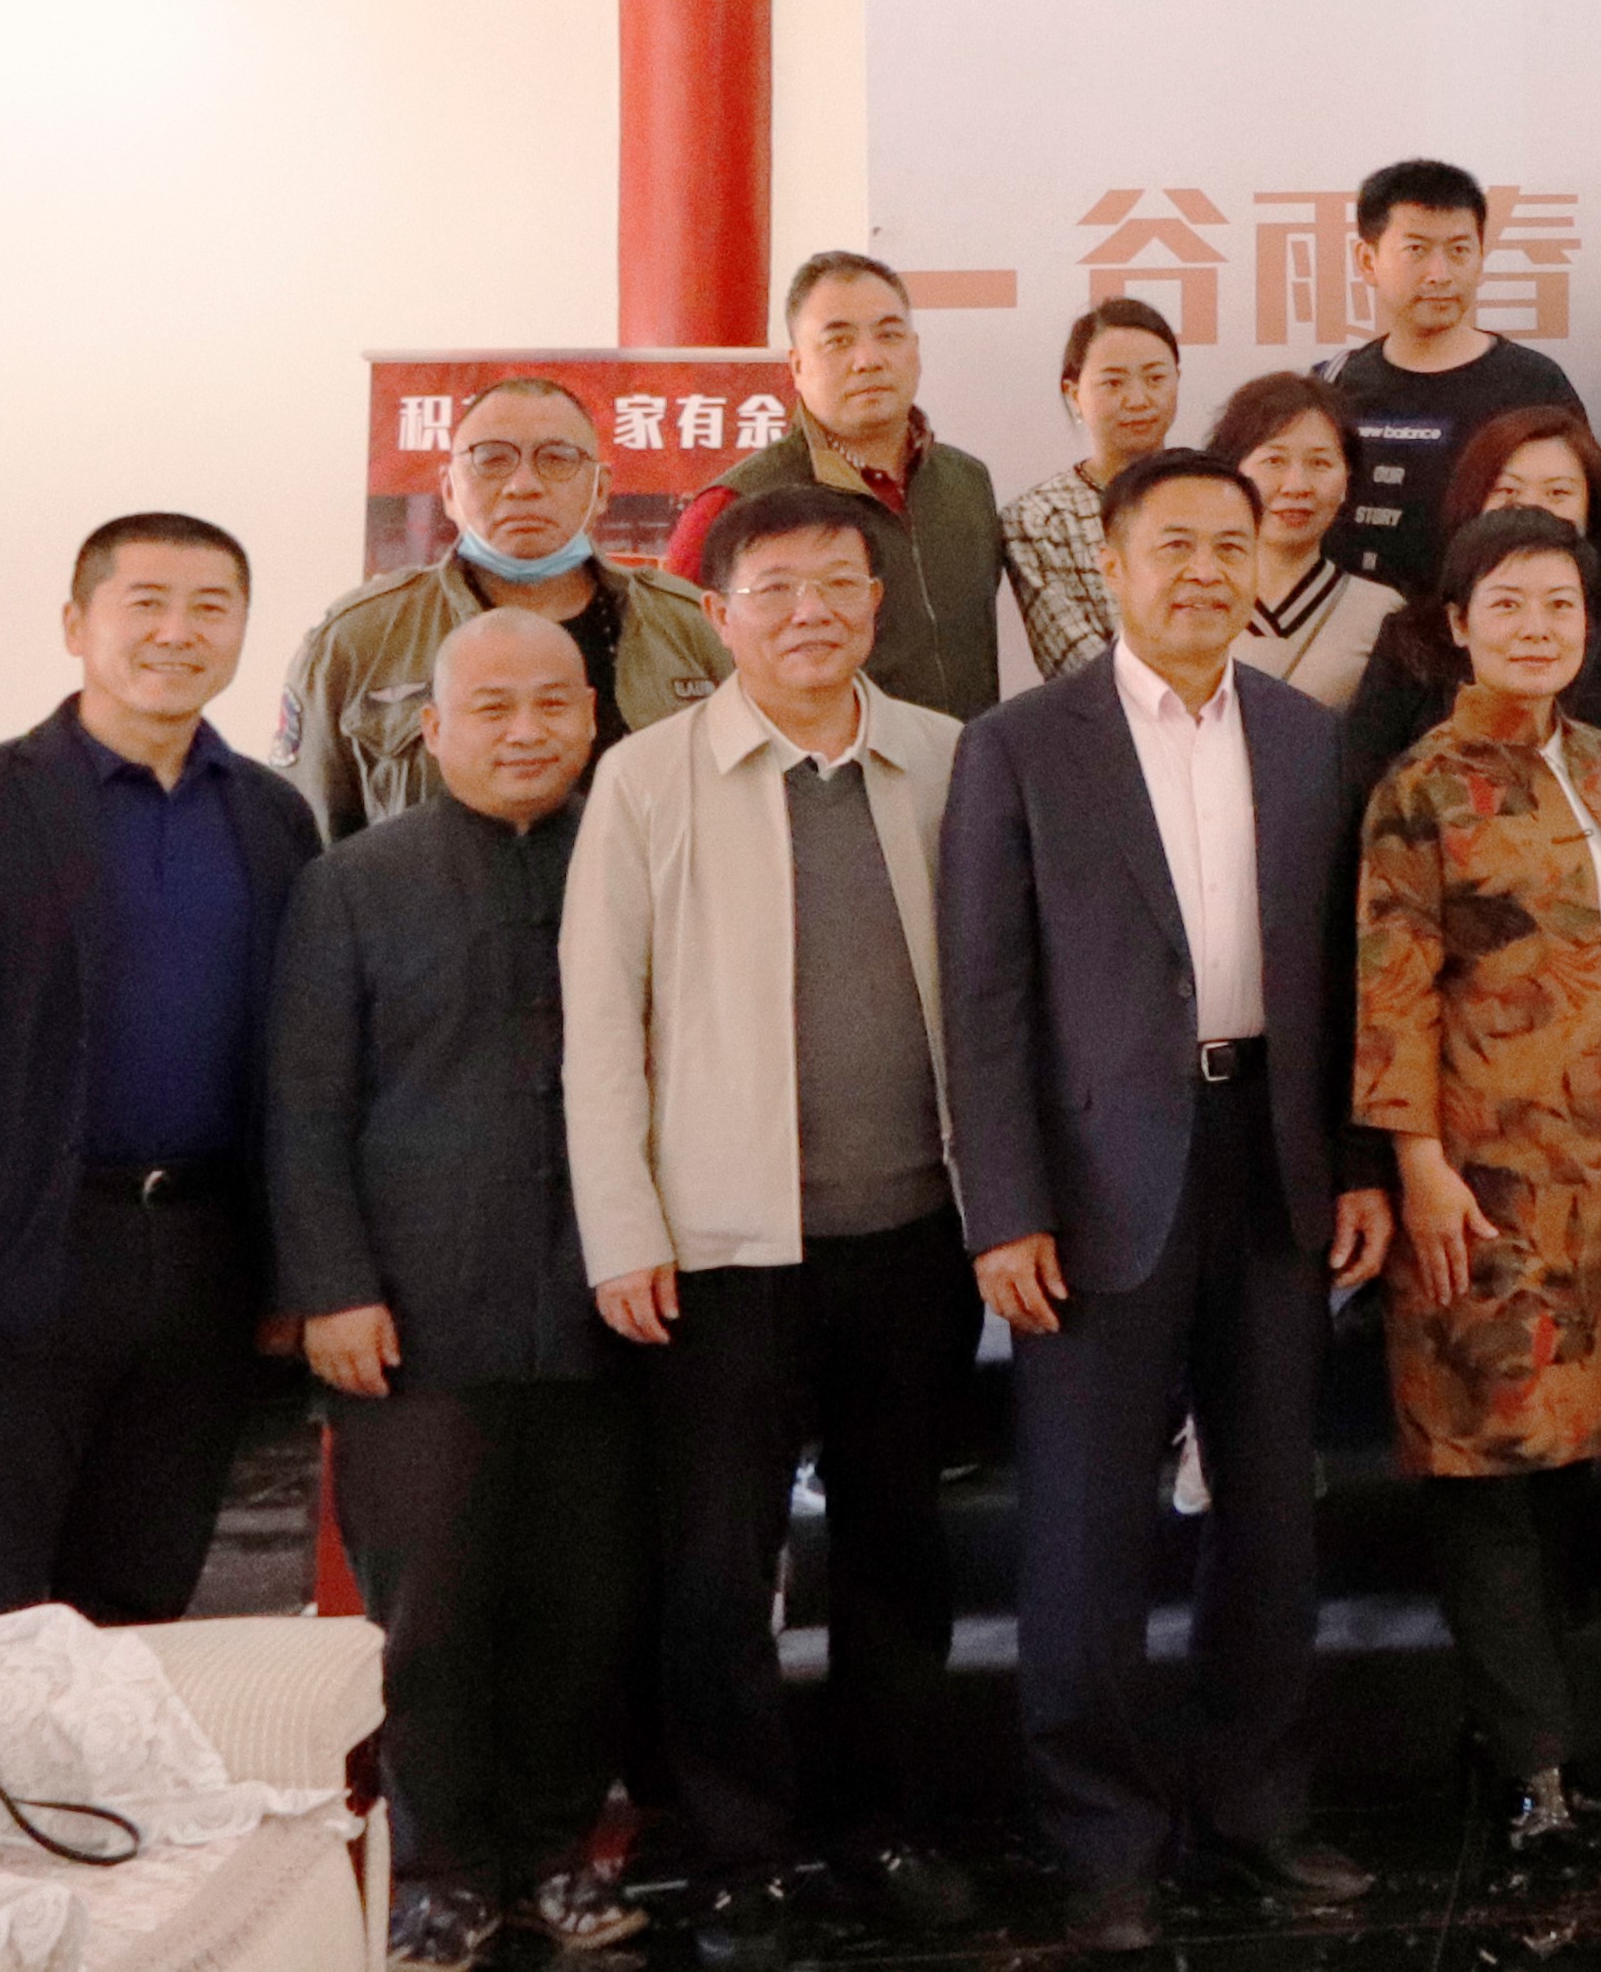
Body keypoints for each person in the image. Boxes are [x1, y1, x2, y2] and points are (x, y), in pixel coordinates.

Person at [942, 451, 1391, 1948]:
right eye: (1172, 545)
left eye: (1227, 546)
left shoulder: (1304, 735)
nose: (1203, 570)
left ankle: (1258, 1805)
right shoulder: (1020, 744)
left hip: (1272, 1152)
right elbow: (984, 997)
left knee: (1269, 1507)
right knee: (1084, 1522)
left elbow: (1343, 975)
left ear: (1258, 565)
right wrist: (1003, 1205)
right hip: (1093, 1175)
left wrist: (1358, 1163)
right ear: (1115, 565)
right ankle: (1104, 1838)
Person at [562, 486, 979, 1966]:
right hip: (721, 1250)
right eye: (777, 587)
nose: (812, 612)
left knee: (897, 1547)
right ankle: (739, 1849)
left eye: (839, 583)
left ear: (877, 601)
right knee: (716, 1567)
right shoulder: (647, 777)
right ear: (719, 615)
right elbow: (598, 1023)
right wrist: (622, 1225)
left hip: (911, 1231)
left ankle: (888, 1825)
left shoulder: (944, 758)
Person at [0, 514, 318, 1630]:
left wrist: (293, 1273)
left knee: (141, 1606)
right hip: (3, 1269)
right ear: (77, 625)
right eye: (147, 603)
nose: (179, 631)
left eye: (212, 607)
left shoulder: (273, 819)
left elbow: (299, 1067)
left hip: (202, 1266)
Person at [267, 608, 645, 1972]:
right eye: (491, 708)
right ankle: (435, 1869)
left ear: (593, 719)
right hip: (415, 1319)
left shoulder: (634, 859)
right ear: (432, 730)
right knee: (425, 1614)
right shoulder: (353, 884)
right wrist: (332, 1288)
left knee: (584, 1602)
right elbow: (303, 1106)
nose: (526, 731)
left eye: (553, 704)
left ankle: (555, 1851)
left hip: (609, 1313)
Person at [1357, 506, 1601, 1851]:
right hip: (1478, 1179)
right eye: (1507, 603)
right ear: (1456, 624)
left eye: (1559, 603)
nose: (1536, 626)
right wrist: (1416, 1163)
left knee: (1567, 1464)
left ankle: (1517, 1736)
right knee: (1485, 1465)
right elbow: (1392, 990)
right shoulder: (1420, 787)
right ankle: (1531, 1770)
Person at [278, 376, 725, 838]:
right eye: (492, 460)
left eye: (557, 459)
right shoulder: (357, 640)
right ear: (449, 490)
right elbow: (304, 839)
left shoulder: (693, 627)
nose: (523, 485)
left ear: (600, 490)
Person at [653, 253, 1006, 721]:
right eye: (838, 341)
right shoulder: (734, 504)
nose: (869, 360)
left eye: (889, 335)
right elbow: (670, 670)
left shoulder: (967, 481)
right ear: (797, 365)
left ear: (915, 349)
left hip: (971, 757)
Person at [1341, 406, 1601, 801]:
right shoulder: (1411, 640)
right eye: (1507, 491)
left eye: (1558, 492)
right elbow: (1363, 791)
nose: (1531, 507)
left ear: (1592, 507)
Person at [1312, 157, 1590, 592]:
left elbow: (1580, 537)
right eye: (1416, 250)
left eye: (1459, 250)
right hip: (1345, 626)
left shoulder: (1534, 385)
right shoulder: (1332, 384)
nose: (1439, 275)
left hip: (1487, 626)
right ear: (1367, 260)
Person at [994, 296, 1182, 680]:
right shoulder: (1039, 519)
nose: (1138, 400)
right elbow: (1075, 664)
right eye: (1113, 382)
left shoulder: (1216, 497)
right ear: (1073, 393)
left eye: (1156, 378)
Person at [1206, 369, 1406, 707]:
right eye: (1274, 461)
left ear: (1348, 479)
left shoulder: (1381, 613)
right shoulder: (1190, 596)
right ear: (1232, 474)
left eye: (1320, 463)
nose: (1297, 486)